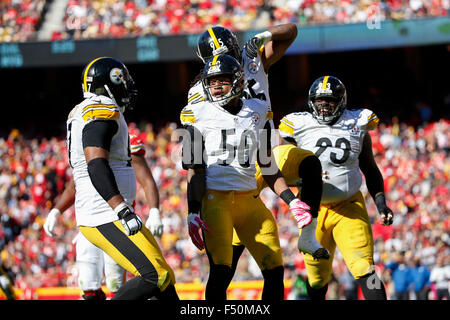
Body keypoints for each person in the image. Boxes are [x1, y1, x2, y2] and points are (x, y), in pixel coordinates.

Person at [189, 24, 328, 285]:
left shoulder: (253, 60)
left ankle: (308, 234)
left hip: (266, 154)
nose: (222, 65)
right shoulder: (201, 91)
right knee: (226, 265)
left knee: (309, 163)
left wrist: (263, 36)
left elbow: (291, 31)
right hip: (233, 167)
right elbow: (196, 143)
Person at [66, 56, 177, 300]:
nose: (127, 86)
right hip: (103, 214)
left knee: (165, 278)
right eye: (123, 80)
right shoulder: (102, 109)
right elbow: (96, 164)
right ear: (110, 82)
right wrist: (121, 209)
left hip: (103, 211)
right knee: (156, 276)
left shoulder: (86, 110)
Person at [278, 75, 394, 300]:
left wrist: (381, 204)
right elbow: (285, 167)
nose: (324, 107)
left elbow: (370, 168)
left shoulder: (357, 123)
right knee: (317, 279)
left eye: (329, 101)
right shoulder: (297, 125)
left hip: (348, 207)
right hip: (313, 211)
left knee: (364, 267)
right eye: (320, 102)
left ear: (341, 101)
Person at [43, 134, 164, 299]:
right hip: (89, 222)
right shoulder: (85, 140)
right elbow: (74, 186)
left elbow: (147, 180)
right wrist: (55, 211)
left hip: (116, 221)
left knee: (115, 283)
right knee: (88, 286)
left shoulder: (125, 140)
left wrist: (154, 211)